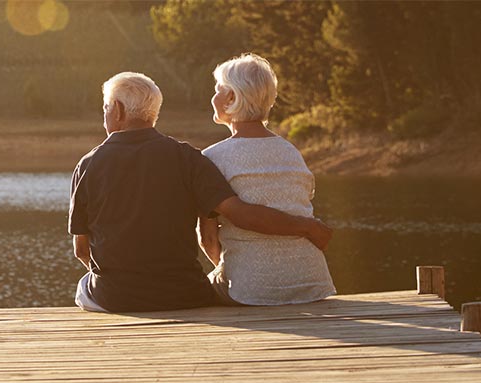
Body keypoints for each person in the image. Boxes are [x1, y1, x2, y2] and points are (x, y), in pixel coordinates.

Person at [71, 72, 331, 313]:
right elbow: (236, 214)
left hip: (115, 297)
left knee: (83, 287)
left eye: (105, 108)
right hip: (184, 294)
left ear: (117, 110)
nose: (105, 115)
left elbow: (81, 250)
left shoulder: (87, 165)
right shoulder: (189, 158)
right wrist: (306, 226)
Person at [199, 54, 336, 306]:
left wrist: (229, 270)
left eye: (218, 90)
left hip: (251, 291)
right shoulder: (291, 152)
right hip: (312, 285)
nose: (213, 97)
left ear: (231, 98)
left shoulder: (211, 158)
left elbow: (207, 240)